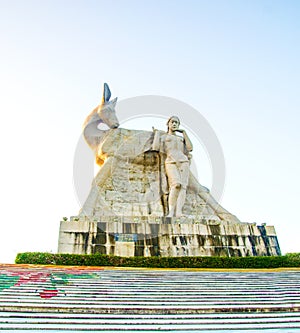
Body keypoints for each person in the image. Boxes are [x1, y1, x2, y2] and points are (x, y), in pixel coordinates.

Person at [152, 116, 193, 217]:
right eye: (172, 122)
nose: (174, 124)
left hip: (183, 161)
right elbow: (155, 148)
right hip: (171, 161)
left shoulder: (180, 138)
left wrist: (184, 133)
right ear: (168, 124)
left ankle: (179, 212)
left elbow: (190, 148)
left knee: (183, 187)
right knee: (176, 185)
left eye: (177, 123)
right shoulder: (164, 137)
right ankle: (171, 212)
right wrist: (157, 133)